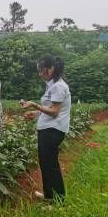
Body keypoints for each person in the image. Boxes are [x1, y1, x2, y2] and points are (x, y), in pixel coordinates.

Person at [21, 55, 71, 204]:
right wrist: (35, 113)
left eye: (40, 70)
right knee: (45, 164)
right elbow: (51, 108)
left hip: (52, 130)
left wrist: (34, 105)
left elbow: (54, 112)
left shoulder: (58, 87)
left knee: (51, 165)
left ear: (50, 69)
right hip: (48, 129)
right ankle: (49, 195)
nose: (39, 74)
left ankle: (58, 200)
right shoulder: (53, 85)